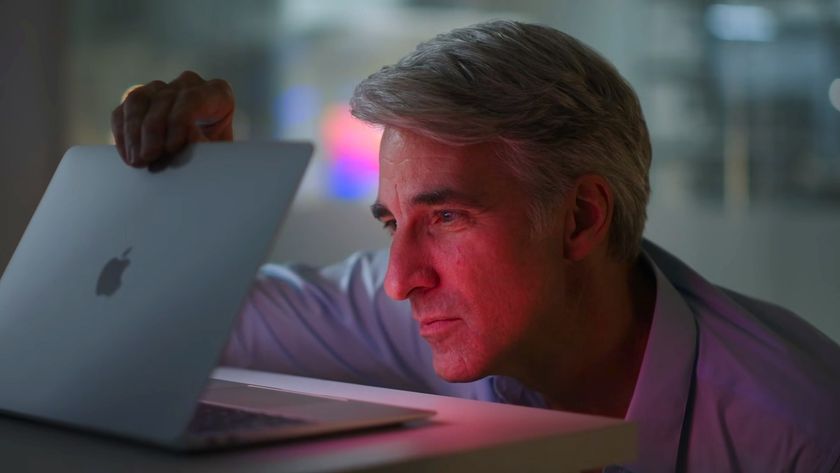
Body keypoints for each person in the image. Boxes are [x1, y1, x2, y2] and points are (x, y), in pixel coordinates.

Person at [111, 20, 840, 473]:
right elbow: (177, 322)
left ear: (581, 217)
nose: (400, 280)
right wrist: (193, 187)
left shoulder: (802, 432)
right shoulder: (421, 312)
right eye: (392, 223)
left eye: (448, 217)